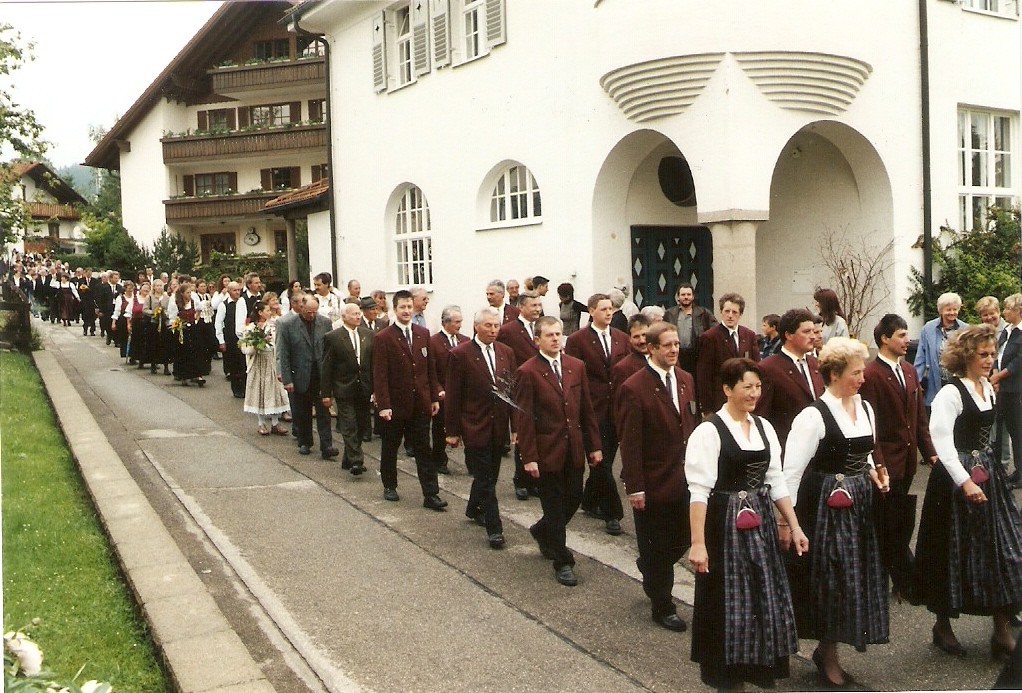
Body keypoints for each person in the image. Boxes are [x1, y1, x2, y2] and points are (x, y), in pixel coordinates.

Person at [686, 358, 805, 690]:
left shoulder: (765, 427)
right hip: (725, 526)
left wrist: (793, 526)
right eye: (746, 387)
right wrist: (698, 543)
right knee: (728, 601)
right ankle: (729, 680)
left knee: (761, 597)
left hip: (761, 523)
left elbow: (776, 480)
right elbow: (699, 492)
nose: (754, 394)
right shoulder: (709, 431)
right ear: (727, 389)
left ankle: (755, 671)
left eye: (758, 387)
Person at [783, 337, 890, 688]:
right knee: (834, 579)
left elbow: (868, 451)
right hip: (827, 508)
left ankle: (830, 649)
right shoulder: (813, 415)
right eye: (856, 372)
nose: (862, 378)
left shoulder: (866, 408)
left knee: (856, 577)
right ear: (834, 374)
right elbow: (791, 472)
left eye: (862, 371)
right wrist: (788, 522)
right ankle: (827, 653)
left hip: (860, 503)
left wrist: (874, 470)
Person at [913, 324, 1022, 661]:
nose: (990, 360)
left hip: (988, 473)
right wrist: (965, 481)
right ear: (966, 356)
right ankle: (942, 625)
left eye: (992, 354)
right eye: (983, 354)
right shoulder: (950, 393)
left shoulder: (986, 388)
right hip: (955, 480)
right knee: (950, 552)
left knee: (1002, 551)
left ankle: (1001, 631)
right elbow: (942, 443)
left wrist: (985, 474)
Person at [617, 322, 697, 631]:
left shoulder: (687, 380)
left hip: (686, 477)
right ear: (651, 348)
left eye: (676, 343)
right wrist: (635, 487)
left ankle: (650, 566)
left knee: (684, 538)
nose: (675, 349)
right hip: (653, 481)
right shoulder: (634, 387)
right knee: (658, 543)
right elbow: (631, 441)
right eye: (667, 345)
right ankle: (663, 605)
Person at [514, 315, 602, 587]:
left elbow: (586, 409)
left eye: (558, 334)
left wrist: (594, 445)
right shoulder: (527, 372)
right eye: (549, 335)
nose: (555, 339)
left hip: (573, 448)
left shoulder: (576, 367)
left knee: (573, 497)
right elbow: (524, 419)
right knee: (553, 507)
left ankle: (542, 531)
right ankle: (563, 561)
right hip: (546, 451)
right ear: (537, 339)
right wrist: (528, 457)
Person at [859, 314, 937, 602]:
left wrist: (930, 453)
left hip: (906, 461)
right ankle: (907, 581)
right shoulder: (871, 374)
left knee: (903, 522)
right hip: (887, 462)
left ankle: (898, 579)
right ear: (885, 339)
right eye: (902, 336)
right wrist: (878, 464)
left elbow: (918, 418)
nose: (907, 341)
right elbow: (872, 426)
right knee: (888, 524)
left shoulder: (908, 371)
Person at [445, 307, 517, 549]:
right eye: (488, 326)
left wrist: (515, 426)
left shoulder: (506, 352)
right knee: (485, 478)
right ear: (476, 327)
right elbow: (454, 396)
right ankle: (494, 528)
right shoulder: (460, 354)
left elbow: (510, 392)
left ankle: (473, 507)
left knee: (491, 475)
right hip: (474, 424)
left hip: (499, 426)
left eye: (496, 326)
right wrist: (452, 431)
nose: (493, 330)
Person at [372, 289, 445, 510]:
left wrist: (433, 396)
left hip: (420, 402)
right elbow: (380, 374)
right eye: (402, 307)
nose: (406, 311)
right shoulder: (383, 337)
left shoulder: (423, 334)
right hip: (395, 404)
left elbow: (429, 369)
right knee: (391, 446)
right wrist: (384, 405)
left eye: (409, 307)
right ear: (394, 309)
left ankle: (431, 494)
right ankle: (390, 485)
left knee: (424, 449)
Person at [565, 293, 629, 535]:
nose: (609, 312)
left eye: (610, 308)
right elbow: (572, 377)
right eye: (603, 309)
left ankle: (590, 500)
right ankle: (612, 513)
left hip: (617, 409)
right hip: (592, 409)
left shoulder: (621, 339)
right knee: (600, 463)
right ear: (591, 311)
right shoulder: (578, 340)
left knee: (607, 459)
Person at [755, 308, 825, 450]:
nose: (813, 336)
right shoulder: (768, 368)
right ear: (788, 335)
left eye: (813, 331)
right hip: (786, 450)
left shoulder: (816, 364)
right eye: (806, 332)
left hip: (819, 451)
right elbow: (760, 417)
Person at [276, 295, 337, 458]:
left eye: (315, 312)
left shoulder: (325, 322)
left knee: (324, 411)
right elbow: (284, 353)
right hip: (300, 374)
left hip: (320, 374)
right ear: (301, 308)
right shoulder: (287, 325)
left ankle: (327, 445)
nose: (312, 315)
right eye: (309, 312)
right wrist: (287, 379)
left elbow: (330, 349)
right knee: (302, 411)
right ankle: (305, 441)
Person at [497, 290, 544, 500]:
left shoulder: (544, 327)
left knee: (541, 433)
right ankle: (521, 480)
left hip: (544, 387)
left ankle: (536, 481)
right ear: (522, 307)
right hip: (521, 387)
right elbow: (503, 357)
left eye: (539, 305)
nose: (537, 309)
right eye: (533, 306)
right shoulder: (509, 330)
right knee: (523, 433)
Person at [321, 302, 374, 474]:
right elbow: (327, 367)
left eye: (359, 313)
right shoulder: (333, 337)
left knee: (362, 424)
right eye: (354, 314)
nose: (358, 317)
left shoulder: (368, 335)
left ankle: (348, 457)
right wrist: (326, 393)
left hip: (363, 388)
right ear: (344, 316)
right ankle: (357, 461)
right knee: (349, 424)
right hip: (343, 388)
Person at [696, 292, 760, 417]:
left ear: (740, 314)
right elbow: (703, 374)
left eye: (734, 312)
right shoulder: (710, 337)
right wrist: (707, 408)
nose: (730, 316)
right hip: (720, 400)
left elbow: (756, 366)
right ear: (721, 312)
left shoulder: (749, 335)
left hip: (745, 397)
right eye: (727, 311)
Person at [430, 306, 468, 475]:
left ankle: (472, 461)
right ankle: (439, 459)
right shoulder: (433, 342)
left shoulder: (465, 340)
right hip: (444, 393)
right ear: (446, 322)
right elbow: (430, 370)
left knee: (468, 428)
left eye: (460, 321)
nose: (460, 325)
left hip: (463, 394)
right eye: (456, 322)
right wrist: (438, 390)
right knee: (440, 429)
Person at [915, 292, 968, 409]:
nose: (952, 312)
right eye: (948, 309)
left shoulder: (965, 329)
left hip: (958, 381)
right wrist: (917, 381)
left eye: (955, 309)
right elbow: (921, 357)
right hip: (935, 382)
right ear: (940, 310)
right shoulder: (928, 329)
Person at [990, 293, 1022, 487]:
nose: (1004, 312)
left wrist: (998, 377)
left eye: (1008, 309)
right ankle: (1005, 470)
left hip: (1015, 390)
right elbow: (996, 352)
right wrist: (994, 373)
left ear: (1018, 311)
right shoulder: (1007, 331)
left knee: (1017, 432)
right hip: (1002, 389)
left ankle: (1020, 473)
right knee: (1000, 428)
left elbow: (1019, 362)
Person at [664, 282, 716, 377]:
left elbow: (714, 331)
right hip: (677, 355)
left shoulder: (703, 313)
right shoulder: (669, 314)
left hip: (697, 356)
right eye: (683, 295)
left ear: (693, 296)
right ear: (678, 297)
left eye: (688, 294)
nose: (686, 297)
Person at [167, 282, 210, 387]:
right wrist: (177, 326)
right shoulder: (176, 304)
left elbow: (199, 309)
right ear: (182, 293)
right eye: (187, 293)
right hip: (182, 331)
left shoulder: (193, 302)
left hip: (193, 330)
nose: (189, 294)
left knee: (196, 351)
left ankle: (198, 375)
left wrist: (196, 319)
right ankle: (184, 375)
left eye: (190, 292)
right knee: (184, 353)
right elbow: (172, 318)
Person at [215, 282, 248, 398]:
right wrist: (221, 341)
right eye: (235, 290)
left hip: (241, 337)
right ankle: (236, 389)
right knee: (234, 365)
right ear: (229, 291)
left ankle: (244, 388)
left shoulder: (242, 303)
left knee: (243, 364)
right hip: (230, 337)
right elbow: (218, 324)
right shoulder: (223, 305)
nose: (237, 292)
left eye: (239, 290)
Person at [611, 313, 651, 396]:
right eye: (636, 337)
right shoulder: (623, 368)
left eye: (645, 335)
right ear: (629, 339)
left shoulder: (665, 360)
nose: (642, 341)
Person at [143, 279, 172, 376]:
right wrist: (154, 312)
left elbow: (170, 309)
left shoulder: (166, 297)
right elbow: (145, 309)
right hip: (154, 323)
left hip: (164, 323)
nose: (159, 287)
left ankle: (166, 366)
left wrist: (164, 313)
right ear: (154, 287)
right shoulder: (149, 297)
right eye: (157, 285)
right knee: (153, 344)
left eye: (161, 285)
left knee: (165, 344)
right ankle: (153, 364)